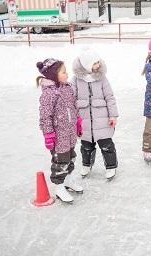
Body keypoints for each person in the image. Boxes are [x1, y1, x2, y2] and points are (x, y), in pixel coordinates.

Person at [37, 58, 84, 203]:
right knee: (60, 162)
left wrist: (78, 122)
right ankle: (58, 187)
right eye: (63, 72)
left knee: (71, 158)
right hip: (58, 136)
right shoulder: (49, 94)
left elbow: (74, 107)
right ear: (53, 75)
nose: (67, 74)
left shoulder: (67, 87)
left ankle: (68, 181)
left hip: (69, 133)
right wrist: (48, 134)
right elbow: (45, 116)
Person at [71, 49, 119, 180]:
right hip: (84, 120)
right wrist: (73, 118)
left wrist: (113, 115)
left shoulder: (102, 78)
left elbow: (110, 97)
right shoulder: (76, 80)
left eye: (98, 62)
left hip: (102, 119)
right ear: (87, 65)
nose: (98, 65)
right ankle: (86, 165)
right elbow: (70, 98)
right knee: (86, 146)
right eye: (95, 63)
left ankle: (111, 166)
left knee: (106, 144)